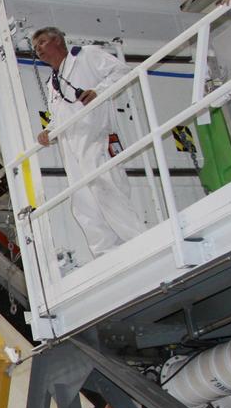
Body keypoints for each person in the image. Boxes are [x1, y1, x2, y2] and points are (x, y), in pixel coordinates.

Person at [33, 26, 146, 257]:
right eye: (35, 47)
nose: (38, 50)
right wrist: (48, 130)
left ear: (58, 41)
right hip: (70, 145)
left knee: (107, 188)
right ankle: (105, 253)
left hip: (95, 135)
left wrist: (98, 91)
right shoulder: (52, 82)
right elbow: (60, 114)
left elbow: (122, 71)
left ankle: (139, 241)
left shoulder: (85, 55)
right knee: (82, 201)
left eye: (42, 43)